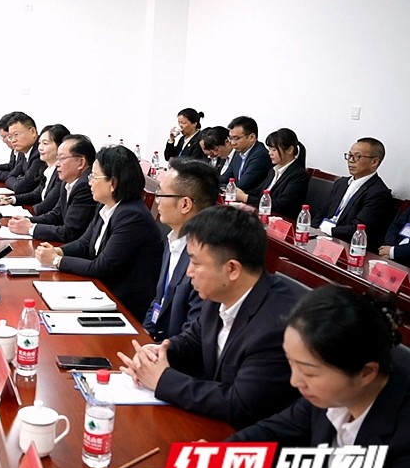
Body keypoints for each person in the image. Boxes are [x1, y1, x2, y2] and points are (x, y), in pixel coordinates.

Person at [229, 286, 410, 468]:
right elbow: (270, 434)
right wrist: (215, 457)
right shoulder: (331, 395)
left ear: (366, 373)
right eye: (290, 362)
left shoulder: (403, 438)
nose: (295, 381)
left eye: (309, 372)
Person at [117, 206, 301, 428]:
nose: (188, 272)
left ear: (232, 269)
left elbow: (239, 403)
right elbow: (194, 340)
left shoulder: (275, 326)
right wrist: (157, 354)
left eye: (196, 263)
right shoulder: (219, 292)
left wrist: (162, 380)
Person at [35, 145, 163, 320]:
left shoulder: (132, 216)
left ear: (113, 183)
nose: (89, 182)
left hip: (124, 308)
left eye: (94, 176)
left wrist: (56, 260)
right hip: (101, 293)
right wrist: (58, 251)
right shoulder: (106, 205)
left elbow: (101, 267)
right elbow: (84, 243)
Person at [143, 158, 219, 341]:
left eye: (161, 194)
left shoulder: (206, 257)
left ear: (185, 204)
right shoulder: (173, 239)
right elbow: (159, 300)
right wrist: (144, 333)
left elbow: (195, 333)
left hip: (178, 351)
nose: (157, 201)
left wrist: (159, 349)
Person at [7, 134, 99, 244]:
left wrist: (31, 228)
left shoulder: (85, 186)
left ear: (81, 162)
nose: (57, 164)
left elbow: (70, 232)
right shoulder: (68, 181)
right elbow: (56, 215)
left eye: (62, 158)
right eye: (57, 158)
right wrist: (26, 220)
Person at [316, 137, 395, 253]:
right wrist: (311, 229)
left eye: (357, 156)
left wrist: (327, 230)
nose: (351, 160)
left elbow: (358, 229)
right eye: (349, 155)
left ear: (374, 162)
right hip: (322, 236)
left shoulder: (379, 193)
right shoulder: (341, 183)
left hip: (347, 246)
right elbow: (322, 211)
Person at [237, 128, 309, 219]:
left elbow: (280, 205)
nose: (269, 153)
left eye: (274, 150)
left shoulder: (298, 175)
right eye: (269, 149)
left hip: (282, 220)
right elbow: (259, 191)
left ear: (290, 150)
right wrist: (240, 192)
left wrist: (245, 198)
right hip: (265, 215)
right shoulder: (273, 170)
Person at [0, 124, 70, 212]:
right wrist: (11, 200)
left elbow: (45, 206)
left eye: (45, 143)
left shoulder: (62, 174)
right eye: (39, 143)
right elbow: (35, 195)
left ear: (61, 147)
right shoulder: (48, 170)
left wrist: (26, 214)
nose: (40, 148)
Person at [0, 112, 46, 194]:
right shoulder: (25, 151)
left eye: (16, 134)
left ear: (33, 132)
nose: (13, 140)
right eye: (10, 136)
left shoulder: (40, 153)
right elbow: (10, 176)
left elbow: (20, 187)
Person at [226, 116, 271, 192]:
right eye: (230, 138)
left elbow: (243, 185)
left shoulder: (261, 155)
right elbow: (226, 177)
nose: (232, 143)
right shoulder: (238, 152)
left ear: (252, 137)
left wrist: (227, 187)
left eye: (236, 138)